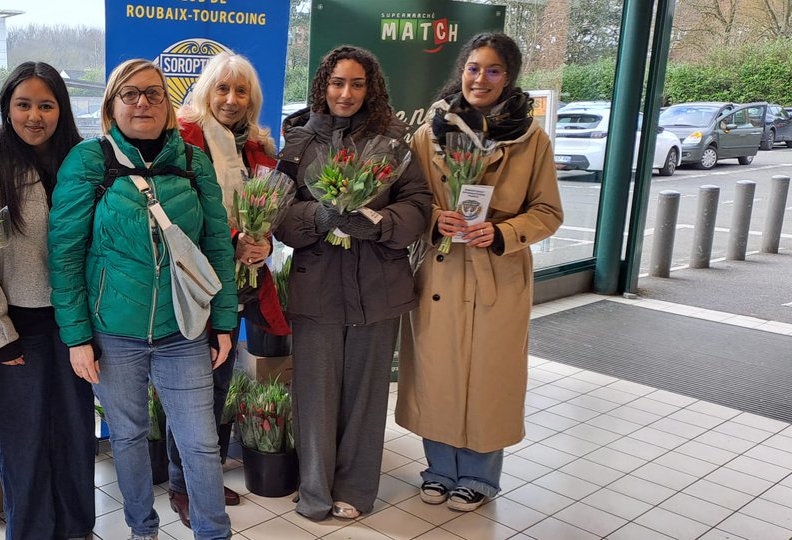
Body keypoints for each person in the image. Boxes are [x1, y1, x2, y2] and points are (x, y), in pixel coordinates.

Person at [48, 58, 237, 540]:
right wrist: (77, 337)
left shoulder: (192, 162)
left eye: (153, 93)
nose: (142, 103)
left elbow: (217, 245)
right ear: (112, 106)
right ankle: (142, 529)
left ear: (167, 105)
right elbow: (65, 253)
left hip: (183, 330)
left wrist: (223, 322)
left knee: (200, 442)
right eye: (129, 94)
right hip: (113, 332)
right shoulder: (89, 161)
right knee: (129, 438)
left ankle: (213, 532)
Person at [395, 32, 564, 512]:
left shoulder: (531, 139)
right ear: (461, 72)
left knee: (489, 380)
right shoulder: (429, 134)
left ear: (508, 77)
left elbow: (548, 212)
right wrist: (434, 219)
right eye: (473, 68)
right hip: (441, 273)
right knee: (437, 376)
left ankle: (479, 477)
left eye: (493, 70)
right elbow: (409, 200)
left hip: (497, 276)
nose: (480, 79)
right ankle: (438, 470)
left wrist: (504, 232)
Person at [274, 45, 432, 521]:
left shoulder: (394, 140)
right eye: (337, 83)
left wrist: (380, 224)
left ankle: (356, 491)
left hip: (378, 287)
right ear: (323, 86)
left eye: (357, 84)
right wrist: (318, 217)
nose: (346, 93)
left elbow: (419, 205)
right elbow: (277, 214)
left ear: (371, 88)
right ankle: (314, 490)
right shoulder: (298, 141)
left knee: (366, 395)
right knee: (314, 394)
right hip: (317, 286)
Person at [0, 62, 94, 540]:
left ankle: (76, 528)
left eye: (46, 105)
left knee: (75, 433)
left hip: (77, 326)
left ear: (62, 109)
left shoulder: (83, 159)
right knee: (23, 442)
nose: (34, 116)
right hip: (17, 328)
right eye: (23, 104)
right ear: (7, 107)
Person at [166, 50, 290, 526]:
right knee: (190, 390)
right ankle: (182, 484)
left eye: (242, 91)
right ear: (206, 92)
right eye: (222, 88)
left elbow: (269, 211)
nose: (232, 100)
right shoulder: (185, 138)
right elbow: (180, 212)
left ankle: (205, 473)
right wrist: (235, 239)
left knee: (218, 384)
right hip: (195, 283)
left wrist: (262, 243)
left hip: (239, 287)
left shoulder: (258, 148)